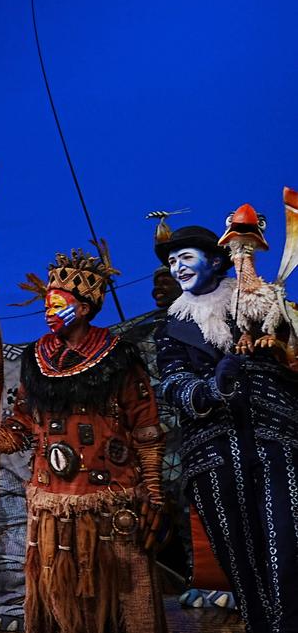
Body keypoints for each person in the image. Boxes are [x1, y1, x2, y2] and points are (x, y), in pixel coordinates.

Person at [0, 245, 167, 633]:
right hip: (52, 503)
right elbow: (22, 422)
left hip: (111, 500)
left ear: (85, 308)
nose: (48, 311)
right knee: (59, 602)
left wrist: (153, 493)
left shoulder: (118, 356)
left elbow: (146, 428)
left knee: (123, 598)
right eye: (47, 303)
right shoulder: (36, 357)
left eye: (57, 303)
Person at [155, 225, 298, 633]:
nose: (177, 268)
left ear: (216, 260)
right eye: (171, 262)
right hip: (214, 455)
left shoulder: (256, 303)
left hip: (275, 444)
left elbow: (291, 355)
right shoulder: (173, 328)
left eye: (185, 258)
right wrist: (210, 387)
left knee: (286, 547)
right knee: (239, 556)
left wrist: (276, 347)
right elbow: (172, 383)